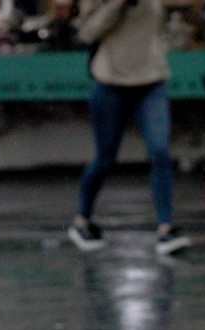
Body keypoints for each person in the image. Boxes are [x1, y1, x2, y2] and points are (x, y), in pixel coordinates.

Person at [70, 0, 190, 255]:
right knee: (105, 157)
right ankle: (82, 218)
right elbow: (87, 32)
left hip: (151, 79)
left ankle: (165, 227)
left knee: (160, 151)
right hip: (110, 80)